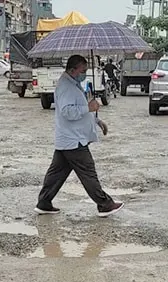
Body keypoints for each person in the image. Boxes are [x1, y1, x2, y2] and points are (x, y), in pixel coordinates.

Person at [35, 54, 122, 217]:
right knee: (88, 172)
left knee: (56, 174)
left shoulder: (72, 83)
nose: (84, 73)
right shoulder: (66, 87)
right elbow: (67, 111)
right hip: (73, 140)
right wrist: (88, 108)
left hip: (68, 139)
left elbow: (80, 108)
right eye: (83, 70)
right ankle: (105, 204)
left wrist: (97, 121)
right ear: (72, 70)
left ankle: (44, 203)